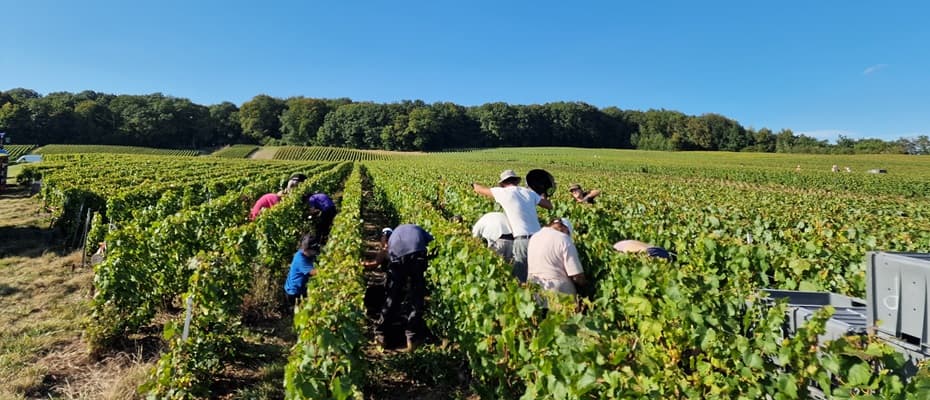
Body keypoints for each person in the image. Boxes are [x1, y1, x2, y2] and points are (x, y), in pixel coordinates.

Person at [472, 170, 553, 282]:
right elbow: (549, 205)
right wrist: (544, 194)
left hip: (523, 240)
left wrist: (474, 185)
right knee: (541, 275)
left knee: (520, 278)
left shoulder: (503, 192)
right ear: (516, 181)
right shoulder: (529, 192)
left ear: (503, 183)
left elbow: (479, 189)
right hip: (540, 238)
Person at [373, 224, 434, 351]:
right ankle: (411, 338)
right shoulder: (417, 229)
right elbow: (431, 242)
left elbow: (386, 256)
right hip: (417, 257)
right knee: (417, 295)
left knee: (393, 295)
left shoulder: (394, 234)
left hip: (397, 258)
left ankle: (381, 335)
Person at [527, 218, 586, 296]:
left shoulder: (534, 237)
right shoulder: (564, 239)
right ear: (565, 228)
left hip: (534, 288)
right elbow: (576, 275)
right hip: (557, 291)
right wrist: (585, 286)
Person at [284, 233, 321, 306]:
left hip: (301, 288)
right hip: (294, 293)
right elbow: (314, 272)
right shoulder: (301, 259)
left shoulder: (309, 254)